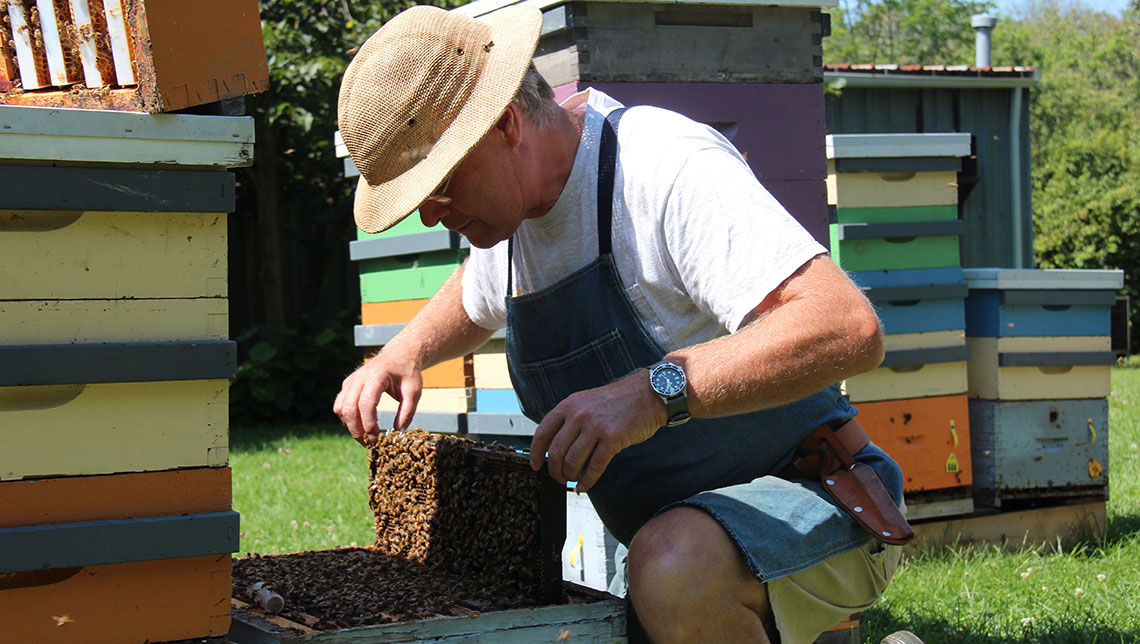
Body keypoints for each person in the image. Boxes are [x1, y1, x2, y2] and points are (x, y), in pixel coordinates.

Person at [334, 5, 915, 644]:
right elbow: (474, 294)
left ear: (503, 125)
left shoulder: (661, 167)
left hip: (820, 497)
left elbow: (846, 326)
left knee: (673, 569)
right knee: (665, 564)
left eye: (439, 188)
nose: (429, 217)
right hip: (678, 533)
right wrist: (404, 350)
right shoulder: (513, 216)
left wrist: (652, 392)